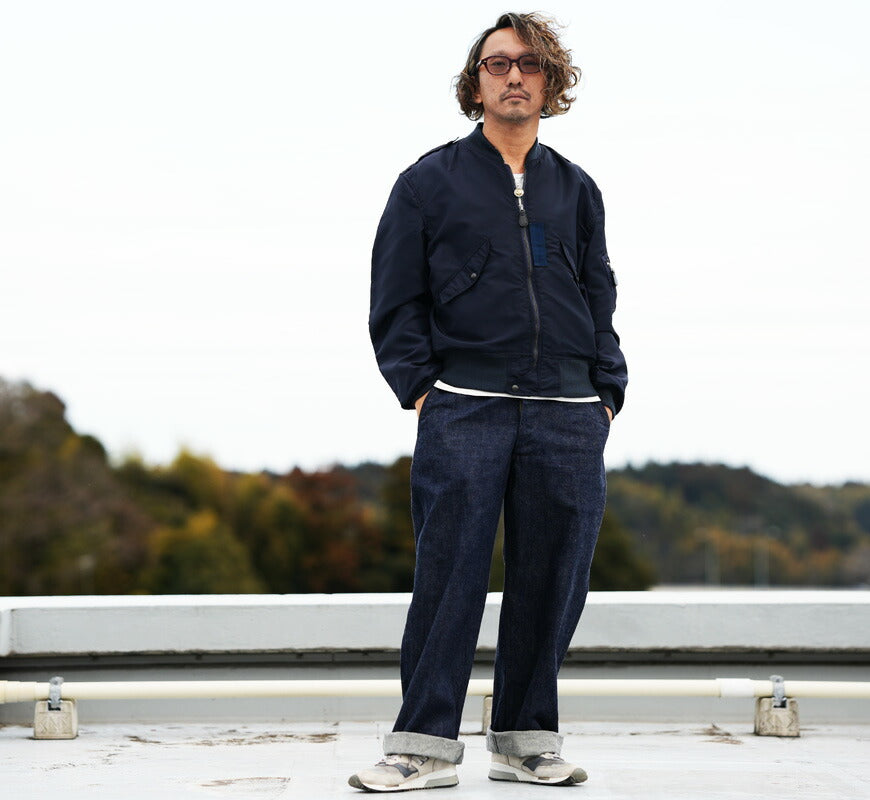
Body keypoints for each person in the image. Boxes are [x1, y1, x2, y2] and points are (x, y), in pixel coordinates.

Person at [351, 11, 627, 792]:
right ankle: (422, 748)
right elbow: (393, 298)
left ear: (550, 83)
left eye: (530, 64)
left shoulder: (576, 189)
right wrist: (419, 388)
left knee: (552, 579)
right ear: (475, 85)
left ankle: (526, 741)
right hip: (465, 406)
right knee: (449, 579)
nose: (514, 76)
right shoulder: (427, 183)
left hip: (568, 411)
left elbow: (599, 293)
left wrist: (607, 390)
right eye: (498, 63)